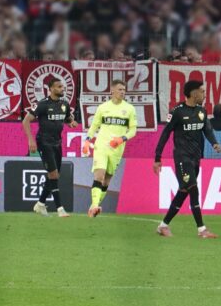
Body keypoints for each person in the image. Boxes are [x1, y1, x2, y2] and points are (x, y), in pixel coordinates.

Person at [154, 79, 221, 238]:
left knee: (183, 191)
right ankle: (202, 229)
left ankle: (163, 226)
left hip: (195, 158)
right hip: (182, 157)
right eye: (202, 91)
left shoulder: (202, 111)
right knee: (193, 187)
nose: (205, 94)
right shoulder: (177, 111)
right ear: (193, 93)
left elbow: (208, 130)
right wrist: (158, 156)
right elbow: (165, 134)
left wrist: (214, 143)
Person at [21, 76, 76, 216]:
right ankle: (60, 209)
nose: (61, 89)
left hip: (57, 142)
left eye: (62, 87)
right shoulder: (42, 104)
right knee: (53, 174)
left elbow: (67, 117)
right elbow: (26, 121)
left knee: (55, 174)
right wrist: (30, 140)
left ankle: (40, 204)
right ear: (50, 89)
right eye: (58, 87)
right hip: (44, 142)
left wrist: (71, 122)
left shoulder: (65, 103)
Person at [85, 79, 138, 217]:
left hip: (117, 149)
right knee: (99, 175)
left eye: (124, 90)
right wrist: (87, 140)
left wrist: (122, 139)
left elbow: (132, 131)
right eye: (120, 89)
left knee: (107, 179)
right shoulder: (103, 107)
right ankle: (95, 206)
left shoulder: (130, 109)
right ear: (112, 91)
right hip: (102, 145)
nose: (122, 92)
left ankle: (93, 206)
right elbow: (94, 126)